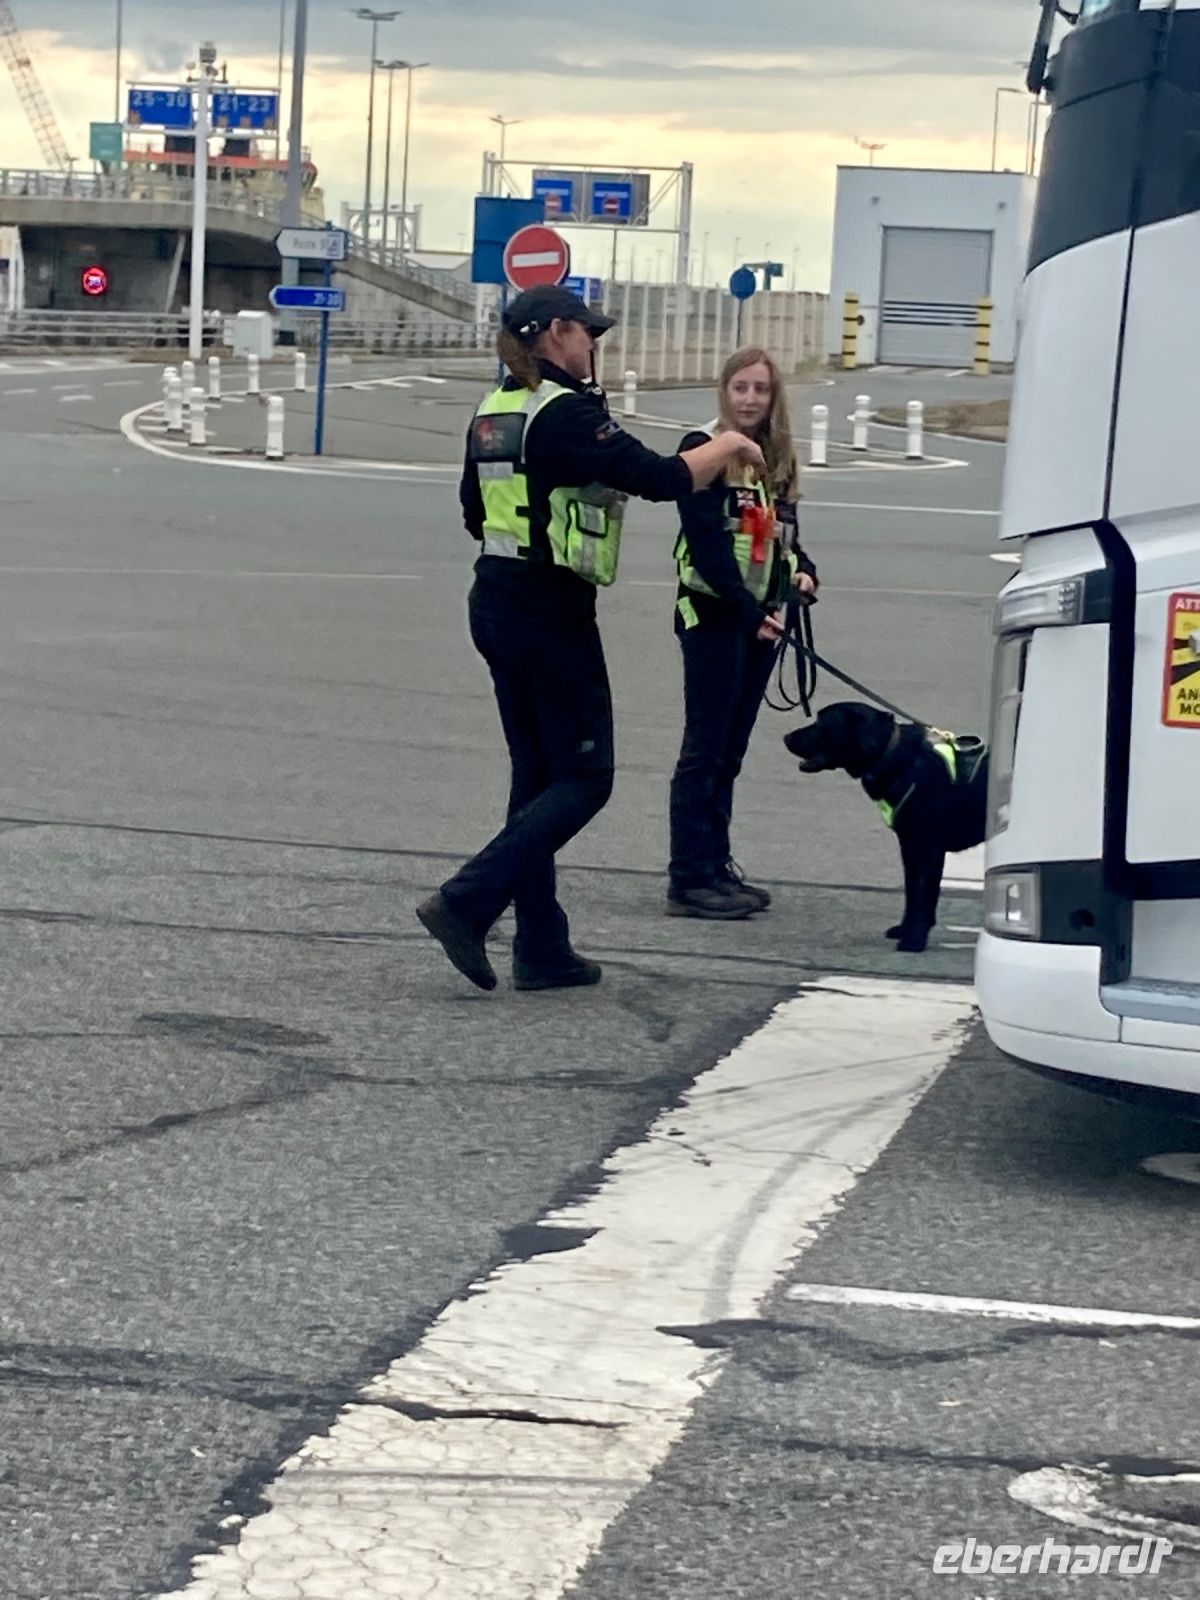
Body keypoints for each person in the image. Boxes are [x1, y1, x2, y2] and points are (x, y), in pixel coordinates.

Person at [417, 284, 766, 992]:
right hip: (549, 613)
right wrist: (726, 442)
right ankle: (466, 900)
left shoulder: (495, 411)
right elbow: (663, 478)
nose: (594, 342)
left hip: (495, 598)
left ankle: (542, 946)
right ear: (552, 336)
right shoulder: (565, 413)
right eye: (585, 331)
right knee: (585, 779)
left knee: (538, 779)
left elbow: (470, 509)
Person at [666, 346, 819, 919]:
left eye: (760, 389)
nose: (750, 399)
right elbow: (706, 544)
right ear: (723, 392)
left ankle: (715, 866)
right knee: (703, 751)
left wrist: (803, 573)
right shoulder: (700, 449)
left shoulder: (776, 458)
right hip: (713, 618)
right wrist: (748, 611)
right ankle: (687, 878)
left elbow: (786, 538)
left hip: (762, 621)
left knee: (729, 753)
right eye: (740, 388)